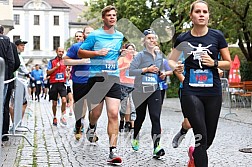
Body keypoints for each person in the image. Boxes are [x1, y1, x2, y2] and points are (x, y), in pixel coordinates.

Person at [168, 1, 231, 166]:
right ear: (191, 16)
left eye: (205, 11)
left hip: (213, 92)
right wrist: (177, 66)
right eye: (198, 11)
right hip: (191, 91)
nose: (201, 14)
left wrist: (214, 63)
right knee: (201, 137)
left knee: (208, 139)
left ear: (209, 15)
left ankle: (193, 153)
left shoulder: (217, 36)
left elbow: (228, 63)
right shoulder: (183, 38)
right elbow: (171, 61)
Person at [77, 5, 123, 165]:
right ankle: (91, 126)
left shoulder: (120, 36)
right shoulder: (95, 35)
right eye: (109, 15)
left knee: (113, 113)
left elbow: (115, 54)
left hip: (113, 77)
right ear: (103, 18)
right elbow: (80, 52)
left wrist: (120, 54)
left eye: (114, 15)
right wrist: (96, 53)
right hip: (96, 78)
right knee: (95, 113)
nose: (112, 17)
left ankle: (112, 151)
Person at [129, 29, 166, 159]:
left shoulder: (159, 55)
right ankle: (135, 136)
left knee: (155, 117)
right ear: (144, 41)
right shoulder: (140, 55)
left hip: (154, 90)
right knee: (140, 117)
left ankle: (157, 147)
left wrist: (162, 74)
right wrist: (146, 70)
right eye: (149, 38)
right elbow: (131, 71)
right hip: (140, 91)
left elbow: (161, 71)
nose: (152, 40)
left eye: (154, 38)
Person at [64, 25, 94, 140]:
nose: (90, 35)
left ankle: (92, 129)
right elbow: (65, 61)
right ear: (84, 34)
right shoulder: (76, 47)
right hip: (79, 80)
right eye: (87, 32)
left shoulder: (98, 47)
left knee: (94, 107)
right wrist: (80, 61)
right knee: (79, 105)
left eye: (92, 33)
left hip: (94, 80)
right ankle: (78, 125)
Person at [1, 25, 18, 141]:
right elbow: (13, 61)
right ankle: (4, 133)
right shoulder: (9, 43)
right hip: (5, 78)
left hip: (6, 77)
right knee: (4, 106)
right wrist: (8, 74)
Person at [47, 47, 68, 126]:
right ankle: (55, 117)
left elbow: (67, 71)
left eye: (62, 52)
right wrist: (56, 67)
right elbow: (48, 72)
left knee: (64, 100)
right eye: (59, 51)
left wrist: (67, 73)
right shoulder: (51, 61)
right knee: (55, 103)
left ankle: (62, 116)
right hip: (54, 83)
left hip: (62, 83)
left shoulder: (65, 61)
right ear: (56, 52)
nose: (61, 53)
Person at [118, 43, 137, 132]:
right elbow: (116, 69)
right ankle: (122, 120)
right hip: (123, 84)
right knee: (124, 105)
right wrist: (126, 67)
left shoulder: (136, 60)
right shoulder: (122, 59)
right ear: (126, 50)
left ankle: (131, 123)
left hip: (134, 84)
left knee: (132, 104)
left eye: (132, 49)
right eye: (129, 49)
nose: (131, 51)